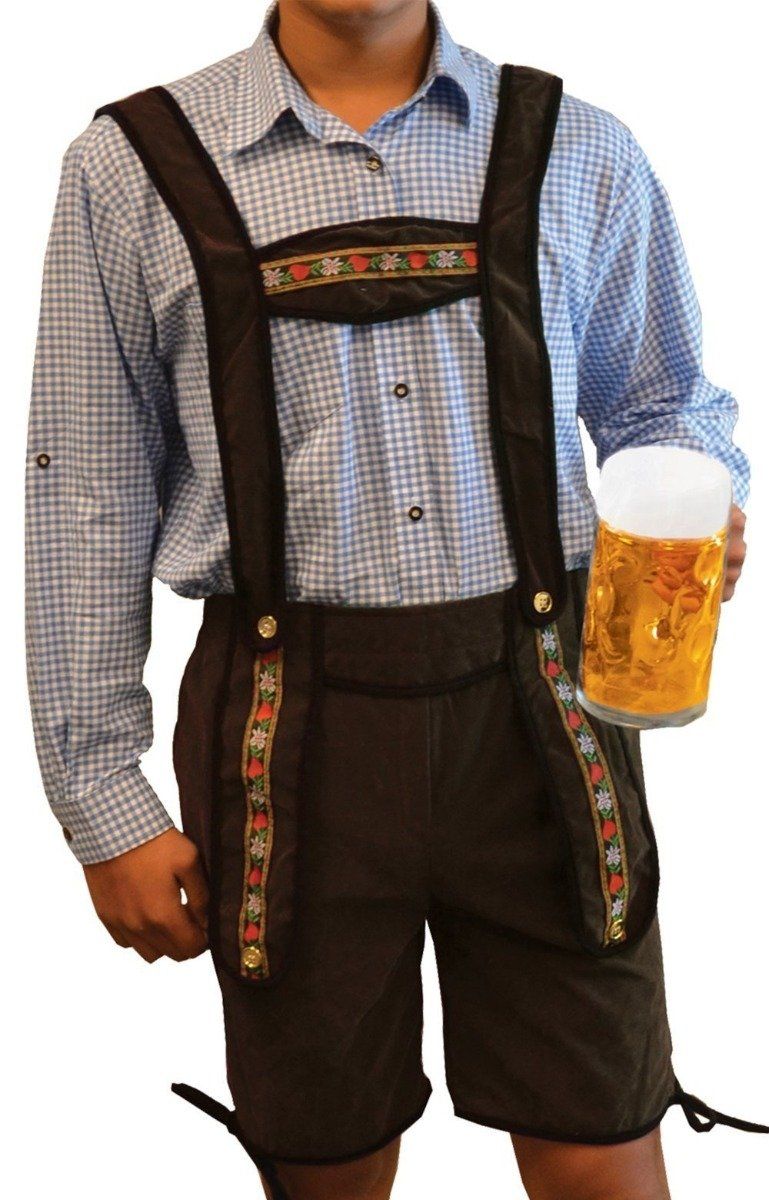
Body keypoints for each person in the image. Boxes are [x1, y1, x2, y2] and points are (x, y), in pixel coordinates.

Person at [25, 2, 762, 1198]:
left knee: (603, 1144)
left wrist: (697, 498)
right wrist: (101, 797)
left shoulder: (577, 143)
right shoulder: (131, 167)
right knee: (325, 1161)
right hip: (284, 734)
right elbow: (84, 493)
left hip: (545, 716)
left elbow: (665, 404)